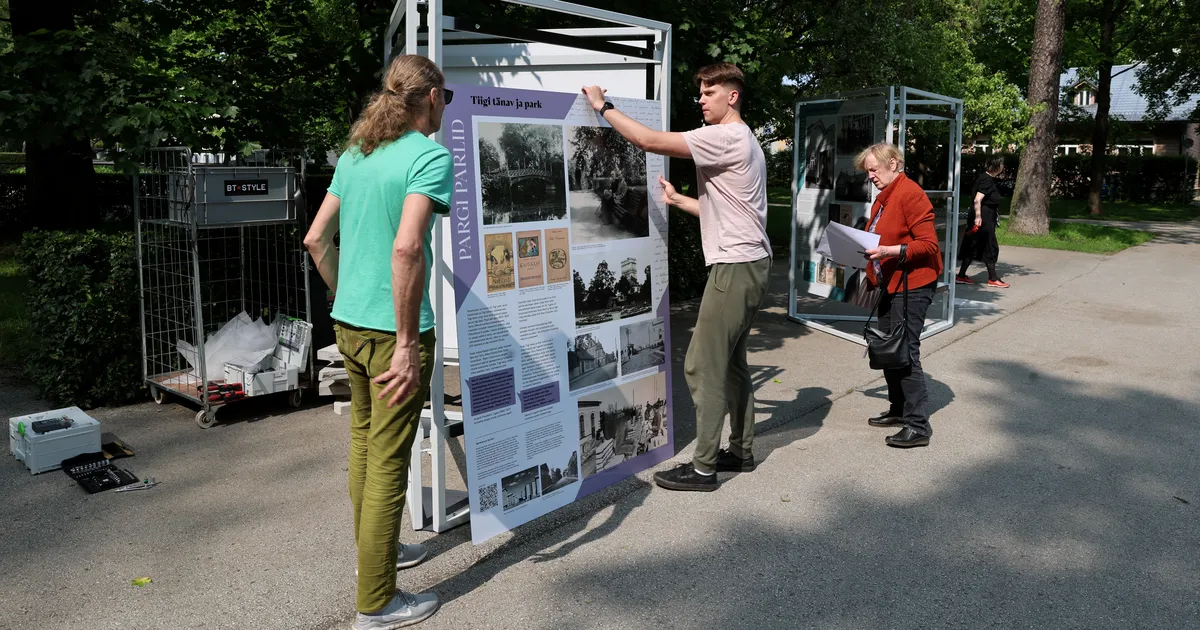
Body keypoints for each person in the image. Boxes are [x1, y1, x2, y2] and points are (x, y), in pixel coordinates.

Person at [303, 54, 453, 629]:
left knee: (365, 445)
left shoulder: (355, 155)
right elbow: (408, 248)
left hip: (348, 324)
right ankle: (377, 603)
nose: (445, 107)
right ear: (432, 97)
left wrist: (348, 296)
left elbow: (316, 239)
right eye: (446, 98)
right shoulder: (429, 157)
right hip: (394, 335)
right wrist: (408, 343)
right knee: (390, 459)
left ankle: (378, 558)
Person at [581, 62, 772, 492]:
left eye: (709, 92)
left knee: (701, 365)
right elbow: (731, 211)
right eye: (700, 92)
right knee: (733, 364)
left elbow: (648, 141)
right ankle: (741, 451)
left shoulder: (724, 136)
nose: (701, 100)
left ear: (732, 96)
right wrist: (680, 199)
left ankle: (704, 469)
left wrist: (602, 106)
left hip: (735, 267)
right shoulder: (747, 139)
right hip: (751, 262)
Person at [859, 143, 942, 449]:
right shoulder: (884, 197)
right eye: (868, 171)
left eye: (874, 169)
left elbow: (929, 245)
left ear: (893, 164)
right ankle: (898, 409)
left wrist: (888, 251)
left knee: (904, 351)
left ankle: (918, 426)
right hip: (890, 282)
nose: (870, 176)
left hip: (913, 285)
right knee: (887, 348)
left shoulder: (910, 194)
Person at [957, 155, 1010, 288]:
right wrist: (978, 217)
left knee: (973, 244)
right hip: (983, 218)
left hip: (986, 216)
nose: (1003, 167)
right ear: (996, 166)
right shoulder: (986, 180)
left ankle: (961, 275)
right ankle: (993, 278)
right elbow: (977, 199)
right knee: (990, 246)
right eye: (1001, 164)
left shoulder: (987, 179)